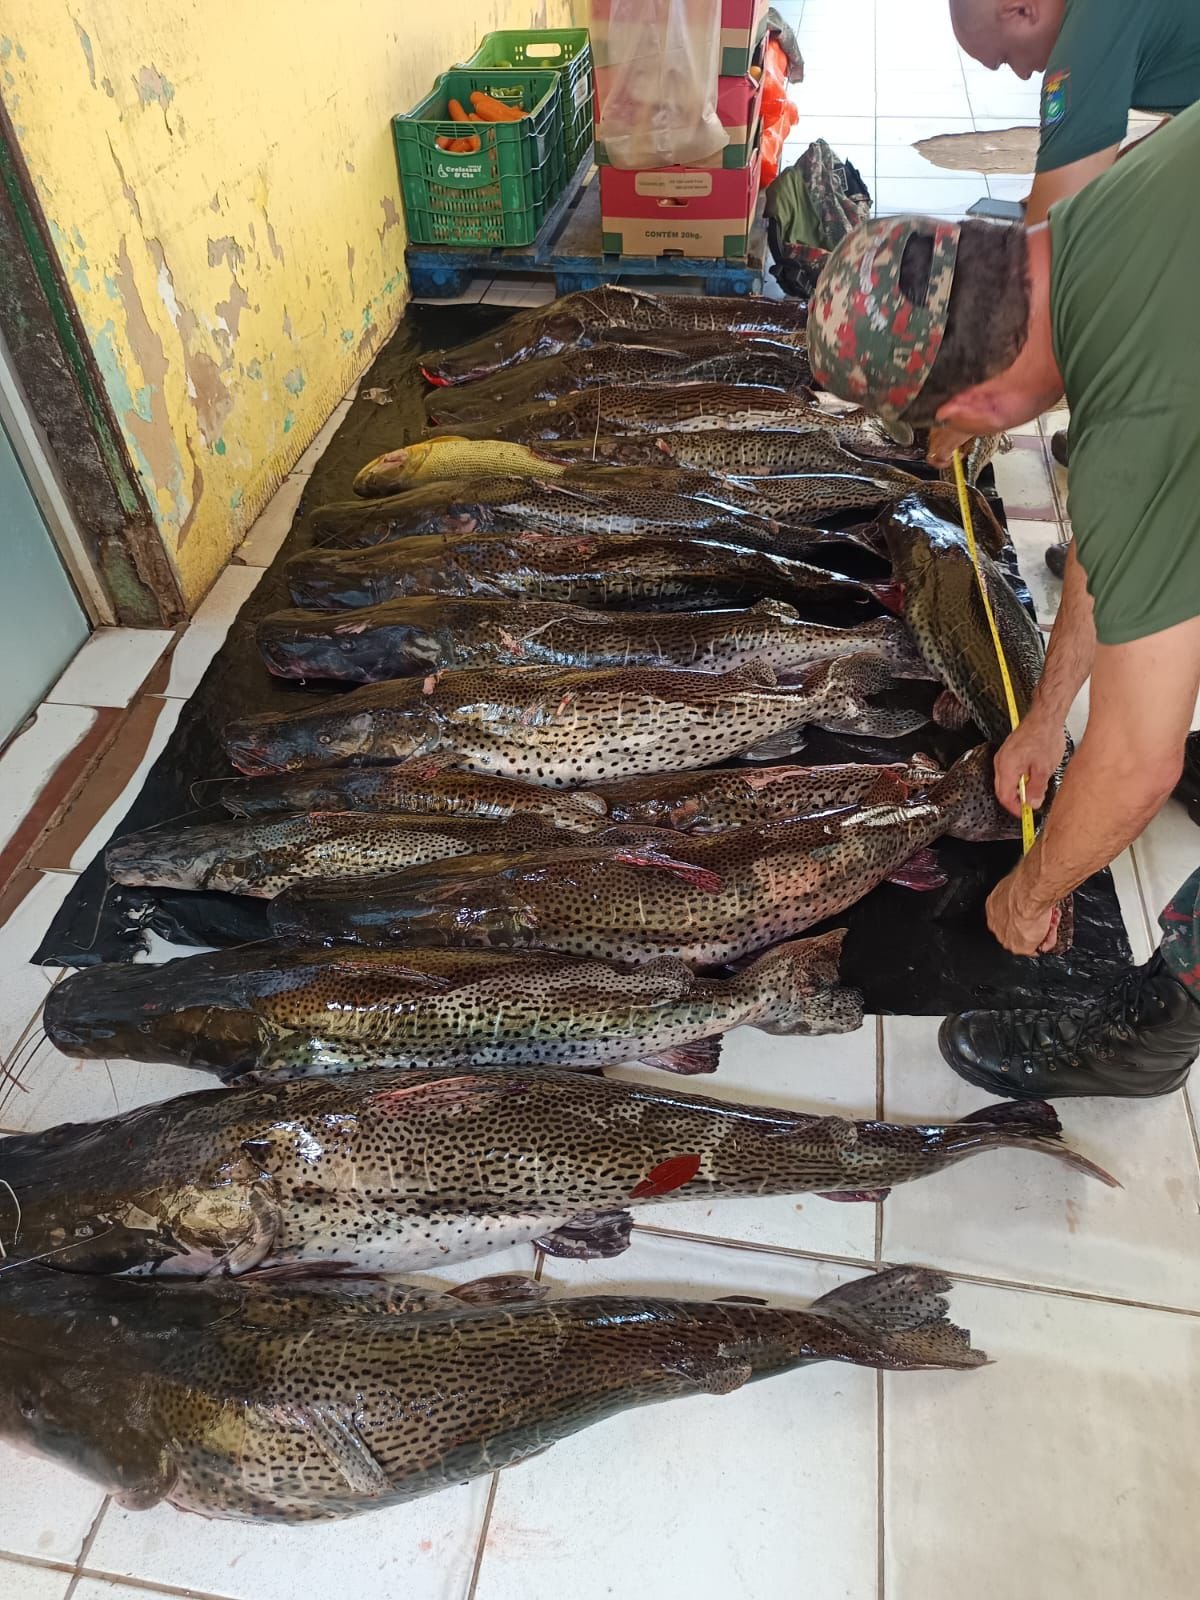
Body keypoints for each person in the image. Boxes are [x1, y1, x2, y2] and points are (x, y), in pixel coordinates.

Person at [805, 103, 1200, 1099]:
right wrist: (1041, 717)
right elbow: (1111, 548)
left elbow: (1137, 759)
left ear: (975, 407)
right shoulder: (1106, 210)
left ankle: (1155, 1034)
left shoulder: (1141, 416)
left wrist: (1031, 889)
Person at [950, 0, 1200, 575]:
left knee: (1132, 314)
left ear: (1022, 9)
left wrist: (980, 392)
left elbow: (1048, 259)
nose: (1022, 73)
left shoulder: (1084, 41)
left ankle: (1119, 532)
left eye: (1006, 58)